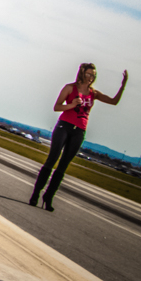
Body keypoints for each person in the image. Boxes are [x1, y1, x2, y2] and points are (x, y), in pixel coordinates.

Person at [29, 62, 128, 211]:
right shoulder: (70, 88)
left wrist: (123, 86)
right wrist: (71, 105)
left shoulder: (94, 93)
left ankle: (48, 197)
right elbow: (56, 107)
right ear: (82, 73)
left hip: (79, 131)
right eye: (88, 74)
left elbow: (113, 102)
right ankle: (36, 193)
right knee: (52, 158)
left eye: (93, 75)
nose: (91, 77)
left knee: (63, 165)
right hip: (64, 126)